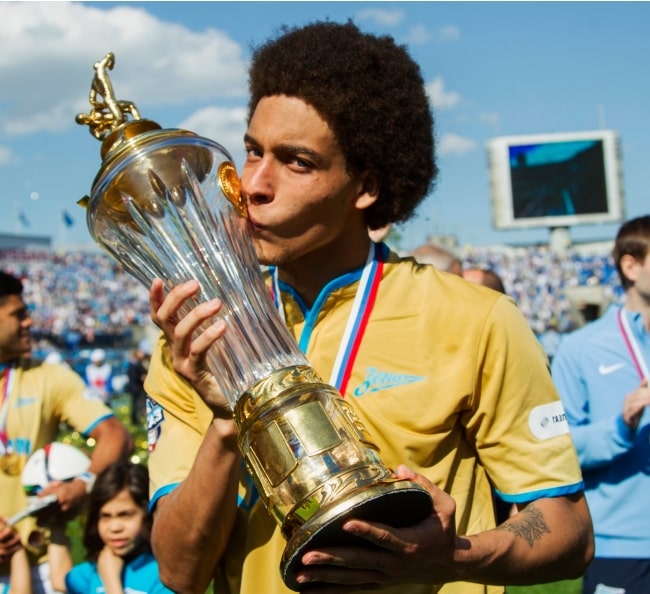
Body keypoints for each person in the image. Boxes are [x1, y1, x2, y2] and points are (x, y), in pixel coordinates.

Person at [144, 21, 593, 594]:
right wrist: (228, 419)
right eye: (252, 151)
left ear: (366, 187)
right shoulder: (199, 340)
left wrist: (452, 557)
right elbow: (179, 572)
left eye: (296, 161)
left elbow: (569, 532)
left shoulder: (477, 320)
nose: (252, 184)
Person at [0, 270, 133, 594]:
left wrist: (82, 484)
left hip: (40, 564)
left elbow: (116, 435)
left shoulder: (49, 376)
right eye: (18, 315)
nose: (29, 322)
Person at [551, 214, 650, 594]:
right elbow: (559, 446)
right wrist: (621, 426)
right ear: (630, 265)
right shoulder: (582, 348)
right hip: (622, 544)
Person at [64, 459, 172, 594]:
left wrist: (111, 582)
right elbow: (61, 580)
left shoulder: (166, 578)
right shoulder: (90, 573)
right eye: (105, 516)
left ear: (149, 515)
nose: (115, 528)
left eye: (125, 515)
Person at [126, 341, 150, 426]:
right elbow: (133, 375)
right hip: (136, 387)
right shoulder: (133, 363)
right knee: (137, 404)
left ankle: (137, 420)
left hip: (137, 387)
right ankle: (136, 421)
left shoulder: (138, 363)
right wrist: (141, 378)